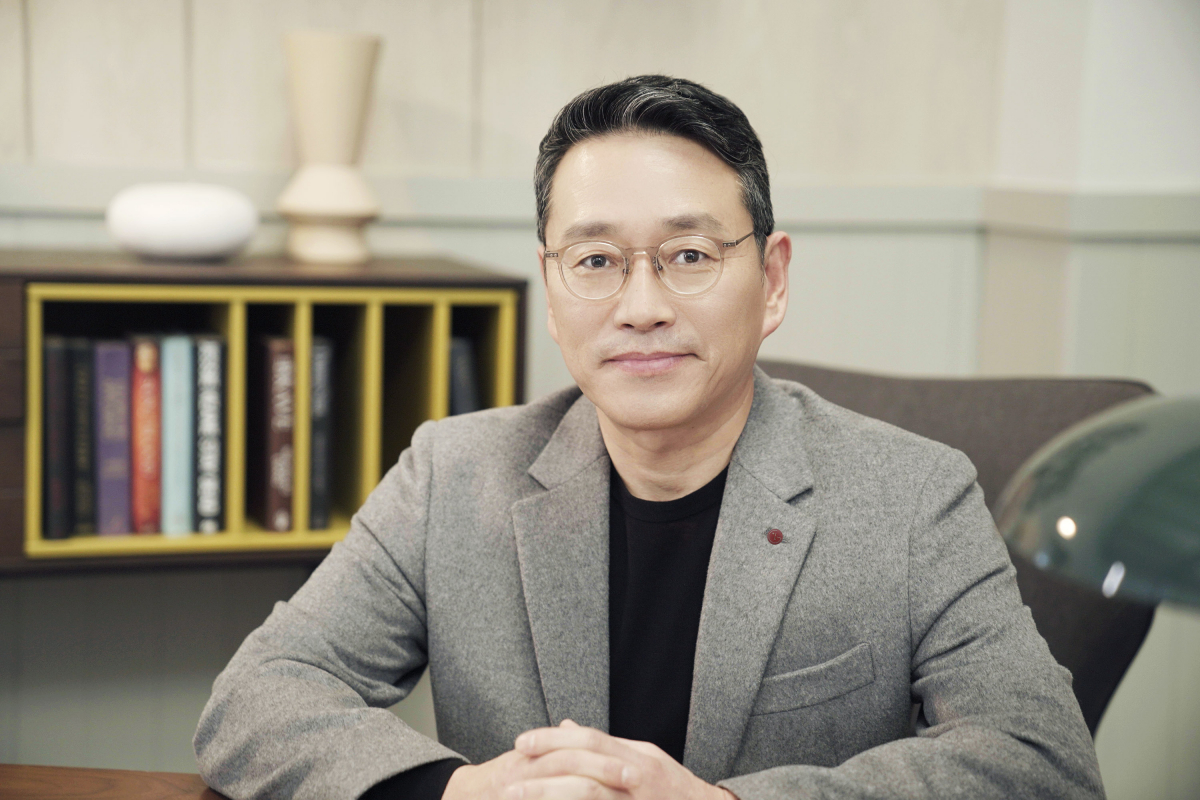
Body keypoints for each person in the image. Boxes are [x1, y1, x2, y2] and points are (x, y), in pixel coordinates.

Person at [195, 75, 1104, 800]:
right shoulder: (451, 474)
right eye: (595, 261)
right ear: (551, 291)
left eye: (690, 256)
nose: (641, 307)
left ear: (772, 280)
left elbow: (1041, 761)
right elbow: (255, 699)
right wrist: (462, 791)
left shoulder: (913, 495)